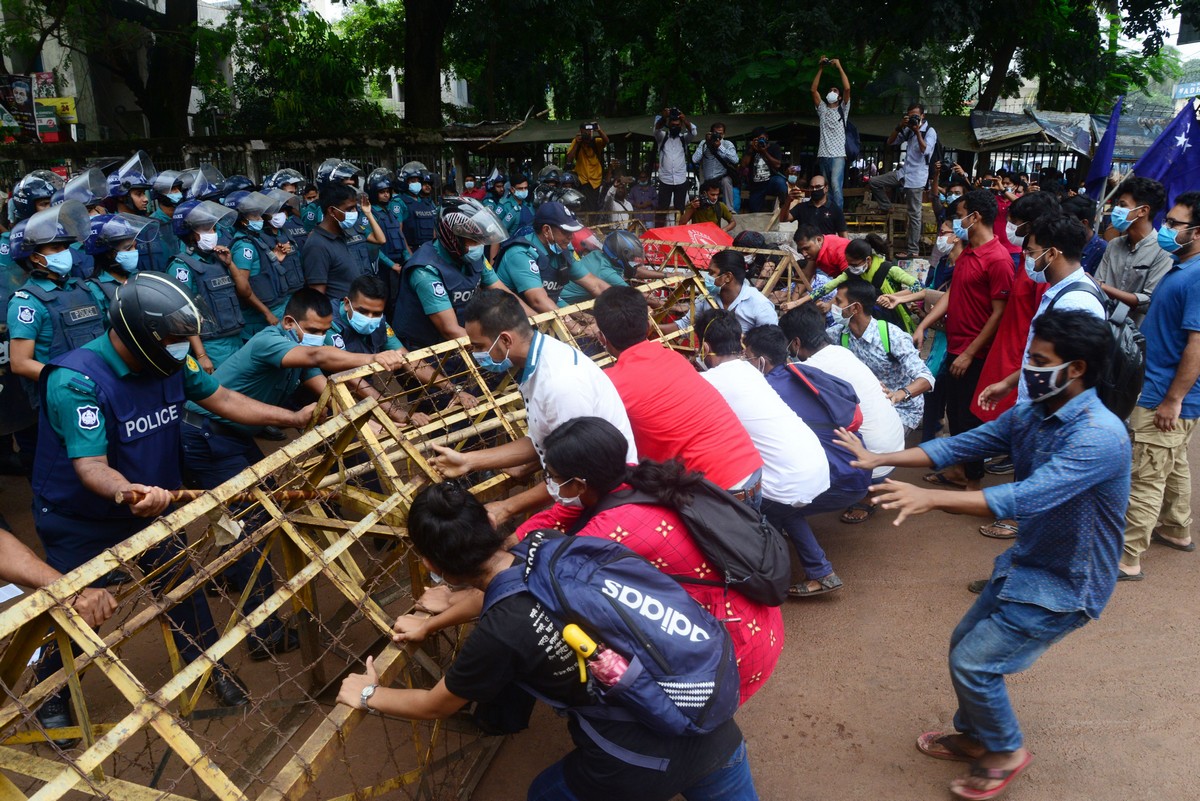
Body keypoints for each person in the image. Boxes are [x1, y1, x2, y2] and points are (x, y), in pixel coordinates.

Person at [835, 310, 1130, 801]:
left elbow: (1027, 497)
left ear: (1075, 368)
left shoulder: (1100, 436)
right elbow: (961, 445)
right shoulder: (1034, 410)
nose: (1028, 369)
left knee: (975, 663)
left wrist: (932, 498)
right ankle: (976, 736)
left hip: (1067, 582)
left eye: (1039, 360)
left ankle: (1006, 751)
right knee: (963, 645)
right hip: (1027, 564)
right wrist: (878, 458)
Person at [338, 481, 762, 801]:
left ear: (433, 565)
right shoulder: (551, 547)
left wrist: (369, 692)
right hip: (710, 718)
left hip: (635, 759)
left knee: (545, 794)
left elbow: (434, 705)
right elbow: (505, 591)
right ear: (489, 522)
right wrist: (434, 622)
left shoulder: (499, 633)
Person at [33, 273, 317, 737]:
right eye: (173, 339)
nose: (184, 347)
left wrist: (293, 416)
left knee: (182, 591)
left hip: (156, 505)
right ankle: (50, 693)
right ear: (140, 337)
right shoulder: (76, 381)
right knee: (79, 608)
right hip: (82, 517)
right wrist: (128, 491)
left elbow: (221, 397)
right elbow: (90, 467)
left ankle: (207, 667)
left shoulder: (169, 361)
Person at [428, 289, 636, 524]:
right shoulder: (541, 357)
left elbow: (576, 475)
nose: (476, 354)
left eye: (479, 346)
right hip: (584, 489)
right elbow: (543, 438)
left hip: (604, 500)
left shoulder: (560, 385)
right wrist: (469, 460)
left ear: (505, 340)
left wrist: (507, 507)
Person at [695, 310, 837, 596]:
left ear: (706, 347)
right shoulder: (751, 369)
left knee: (750, 510)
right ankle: (821, 571)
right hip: (813, 462)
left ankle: (764, 581)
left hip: (787, 475)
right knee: (783, 511)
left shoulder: (711, 382)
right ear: (740, 339)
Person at [592, 286, 764, 502]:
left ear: (601, 338)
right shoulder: (673, 358)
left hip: (716, 495)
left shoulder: (608, 383)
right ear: (647, 326)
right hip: (752, 473)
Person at [741, 325, 871, 595]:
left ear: (760, 360)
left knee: (778, 503)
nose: (744, 361)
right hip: (860, 466)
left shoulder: (765, 390)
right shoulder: (804, 371)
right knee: (785, 500)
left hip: (839, 476)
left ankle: (819, 572)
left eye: (747, 356)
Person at [1119, 191, 1200, 580]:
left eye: (1175, 224)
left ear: (1196, 232)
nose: (1166, 229)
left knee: (1145, 476)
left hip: (1164, 395)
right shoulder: (1181, 267)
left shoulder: (1197, 276)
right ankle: (1176, 529)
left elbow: (1197, 345)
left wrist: (1173, 399)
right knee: (1174, 464)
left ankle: (1127, 556)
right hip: (1164, 390)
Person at [911, 190, 1011, 492]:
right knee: (954, 413)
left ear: (975, 217)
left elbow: (998, 313)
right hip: (956, 347)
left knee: (970, 417)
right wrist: (924, 325)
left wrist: (970, 352)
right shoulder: (967, 252)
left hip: (975, 353)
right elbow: (953, 294)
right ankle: (958, 469)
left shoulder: (998, 259)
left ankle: (974, 480)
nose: (957, 222)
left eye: (960, 215)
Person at [7, 202, 105, 475]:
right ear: (34, 257)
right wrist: (71, 380)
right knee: (73, 468)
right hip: (62, 399)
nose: (65, 253)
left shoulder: (84, 289)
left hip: (100, 390)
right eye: (55, 249)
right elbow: (20, 363)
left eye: (66, 246)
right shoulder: (27, 303)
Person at [780, 302, 905, 509]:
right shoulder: (840, 352)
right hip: (893, 450)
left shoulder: (808, 368)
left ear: (795, 343)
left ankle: (856, 494)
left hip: (872, 463)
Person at [324, 275, 477, 413]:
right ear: (346, 303)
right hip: (325, 395)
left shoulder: (380, 325)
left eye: (376, 313)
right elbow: (350, 378)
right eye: (363, 312)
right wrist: (397, 413)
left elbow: (410, 360)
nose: (370, 318)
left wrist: (453, 389)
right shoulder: (328, 325)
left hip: (362, 388)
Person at [391, 197, 514, 350]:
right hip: (427, 350)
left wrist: (529, 323)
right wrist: (496, 346)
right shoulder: (425, 270)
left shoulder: (473, 256)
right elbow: (449, 329)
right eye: (473, 241)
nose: (480, 246)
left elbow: (504, 293)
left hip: (463, 339)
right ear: (453, 238)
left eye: (481, 240)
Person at [831, 276, 934, 435]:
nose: (833, 306)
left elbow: (926, 378)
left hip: (900, 410)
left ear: (855, 308)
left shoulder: (892, 336)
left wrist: (899, 394)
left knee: (873, 443)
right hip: (865, 406)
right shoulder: (838, 333)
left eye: (838, 302)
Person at [166, 200, 245, 370]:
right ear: (190, 233)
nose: (213, 234)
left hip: (235, 337)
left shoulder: (218, 259)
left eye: (214, 228)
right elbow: (183, 313)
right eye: (206, 229)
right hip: (211, 345)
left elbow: (245, 292)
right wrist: (201, 355)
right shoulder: (181, 266)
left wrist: (230, 264)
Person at [494, 201, 608, 313]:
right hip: (509, 319)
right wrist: (574, 326)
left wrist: (622, 302)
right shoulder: (521, 253)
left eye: (572, 232)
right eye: (566, 232)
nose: (571, 237)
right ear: (546, 230)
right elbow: (538, 301)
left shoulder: (563, 250)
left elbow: (595, 285)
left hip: (544, 314)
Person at [1093, 176, 1173, 325]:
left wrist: (1102, 286)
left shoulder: (1162, 251)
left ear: (1142, 211)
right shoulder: (1114, 245)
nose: (1117, 210)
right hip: (1104, 329)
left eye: (1123, 205)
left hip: (1135, 338)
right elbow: (1098, 284)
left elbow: (1148, 302)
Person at [225, 190, 297, 338]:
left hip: (277, 307)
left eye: (259, 215)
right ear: (243, 220)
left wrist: (276, 258)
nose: (260, 219)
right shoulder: (244, 246)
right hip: (261, 318)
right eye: (254, 216)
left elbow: (261, 271)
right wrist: (267, 313)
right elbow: (243, 288)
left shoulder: (256, 239)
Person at [810, 235, 921, 331]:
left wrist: (892, 297)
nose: (851, 268)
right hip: (868, 321)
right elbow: (828, 287)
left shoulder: (889, 270)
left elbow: (918, 286)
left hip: (894, 318)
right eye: (849, 264)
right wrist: (798, 303)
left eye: (854, 264)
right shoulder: (852, 273)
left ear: (868, 260)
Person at [869, 104, 937, 256]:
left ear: (923, 116)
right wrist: (900, 126)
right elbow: (890, 142)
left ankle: (913, 251)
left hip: (917, 178)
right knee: (874, 182)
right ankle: (887, 206)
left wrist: (917, 132)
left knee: (914, 215)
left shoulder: (929, 131)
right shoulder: (907, 130)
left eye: (916, 116)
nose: (913, 118)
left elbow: (925, 150)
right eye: (910, 115)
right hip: (903, 173)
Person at [664, 249, 776, 334]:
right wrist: (651, 326)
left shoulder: (760, 305)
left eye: (712, 273)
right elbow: (685, 325)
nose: (707, 277)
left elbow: (769, 342)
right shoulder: (706, 298)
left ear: (727, 277)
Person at [300, 183, 376, 301]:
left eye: (355, 208)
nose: (354, 213)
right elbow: (318, 297)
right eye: (349, 209)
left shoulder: (340, 235)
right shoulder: (317, 245)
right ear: (332, 211)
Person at [81, 212, 158, 314]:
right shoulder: (94, 289)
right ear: (108, 253)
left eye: (135, 246)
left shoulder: (139, 277)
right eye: (128, 248)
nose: (134, 252)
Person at [811, 56, 852, 210]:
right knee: (825, 187)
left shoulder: (843, 109)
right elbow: (813, 90)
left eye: (835, 91)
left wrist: (839, 67)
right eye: (830, 90)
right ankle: (826, 216)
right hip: (823, 154)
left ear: (839, 97)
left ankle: (838, 218)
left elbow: (847, 88)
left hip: (838, 155)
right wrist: (821, 67)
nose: (832, 92)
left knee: (835, 185)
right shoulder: (822, 109)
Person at [652, 108, 696, 223]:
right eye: (672, 125)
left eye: (677, 125)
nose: (675, 127)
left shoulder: (684, 139)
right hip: (665, 180)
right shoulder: (662, 137)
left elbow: (693, 132)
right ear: (668, 125)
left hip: (680, 180)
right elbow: (656, 129)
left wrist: (684, 119)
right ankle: (659, 233)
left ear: (681, 126)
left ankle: (679, 234)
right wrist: (664, 117)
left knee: (680, 209)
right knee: (662, 209)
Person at [780, 173, 847, 235]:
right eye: (812, 187)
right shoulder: (801, 207)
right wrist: (788, 201)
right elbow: (783, 219)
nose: (814, 189)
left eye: (818, 187)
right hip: (805, 246)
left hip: (827, 246)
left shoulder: (835, 210)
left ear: (826, 188)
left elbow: (843, 236)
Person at [692, 122, 739, 209]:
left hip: (721, 178)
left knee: (726, 181)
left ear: (724, 134)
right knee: (704, 205)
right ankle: (705, 208)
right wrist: (707, 143)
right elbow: (694, 159)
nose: (718, 135)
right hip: (707, 180)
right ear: (711, 133)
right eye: (716, 133)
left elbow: (735, 160)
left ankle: (729, 209)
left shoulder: (727, 144)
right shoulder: (704, 143)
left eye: (720, 133)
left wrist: (720, 147)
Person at [144, 170, 184, 272]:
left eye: (177, 189)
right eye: (171, 189)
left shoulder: (185, 218)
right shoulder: (152, 224)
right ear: (159, 194)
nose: (177, 192)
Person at [740, 127, 786, 213]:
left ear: (767, 137)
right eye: (758, 139)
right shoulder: (750, 148)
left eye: (763, 138)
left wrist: (764, 152)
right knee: (754, 211)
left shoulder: (774, 147)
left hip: (771, 181)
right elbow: (743, 165)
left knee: (780, 182)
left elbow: (777, 165)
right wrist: (751, 150)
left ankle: (784, 205)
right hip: (756, 186)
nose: (761, 141)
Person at [566, 122, 610, 211]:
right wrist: (577, 143)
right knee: (584, 206)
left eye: (590, 131)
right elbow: (569, 159)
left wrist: (599, 130)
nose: (588, 134)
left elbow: (607, 141)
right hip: (583, 180)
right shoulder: (577, 141)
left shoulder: (596, 141)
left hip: (596, 180)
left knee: (595, 206)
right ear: (581, 131)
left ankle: (592, 222)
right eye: (585, 131)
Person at [1061, 195, 1106, 275]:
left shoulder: (1103, 251)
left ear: (1084, 223)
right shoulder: (1062, 244)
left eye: (1067, 221)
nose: (1062, 225)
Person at [398, 163, 438, 249]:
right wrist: (408, 253)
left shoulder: (427, 202)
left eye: (418, 181)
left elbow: (434, 226)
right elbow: (399, 231)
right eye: (413, 181)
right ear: (405, 183)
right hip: (412, 249)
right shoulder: (399, 202)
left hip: (429, 249)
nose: (416, 184)